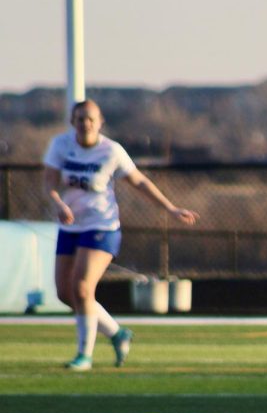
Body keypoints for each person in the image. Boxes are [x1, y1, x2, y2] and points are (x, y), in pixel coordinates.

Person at [43, 99, 198, 371]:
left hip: (101, 227)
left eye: (90, 118)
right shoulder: (61, 145)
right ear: (72, 122)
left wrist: (170, 208)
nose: (85, 123)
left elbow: (139, 181)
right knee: (65, 294)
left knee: (82, 288)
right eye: (80, 118)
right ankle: (116, 333)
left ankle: (84, 356)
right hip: (70, 226)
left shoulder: (111, 151)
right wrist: (58, 203)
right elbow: (49, 182)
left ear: (100, 122)